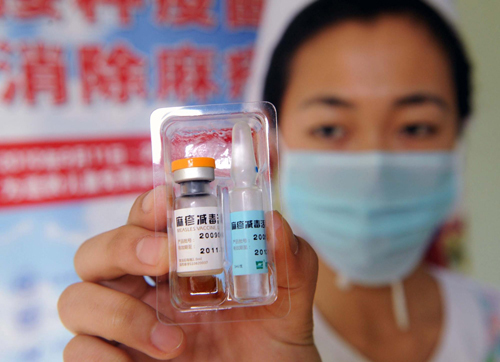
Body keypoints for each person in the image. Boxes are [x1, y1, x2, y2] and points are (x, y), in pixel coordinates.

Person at [57, 1, 500, 361]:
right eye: (329, 128)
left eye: (416, 127)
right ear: (273, 145)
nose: (375, 170)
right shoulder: (237, 331)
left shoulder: (489, 324)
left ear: (459, 136)